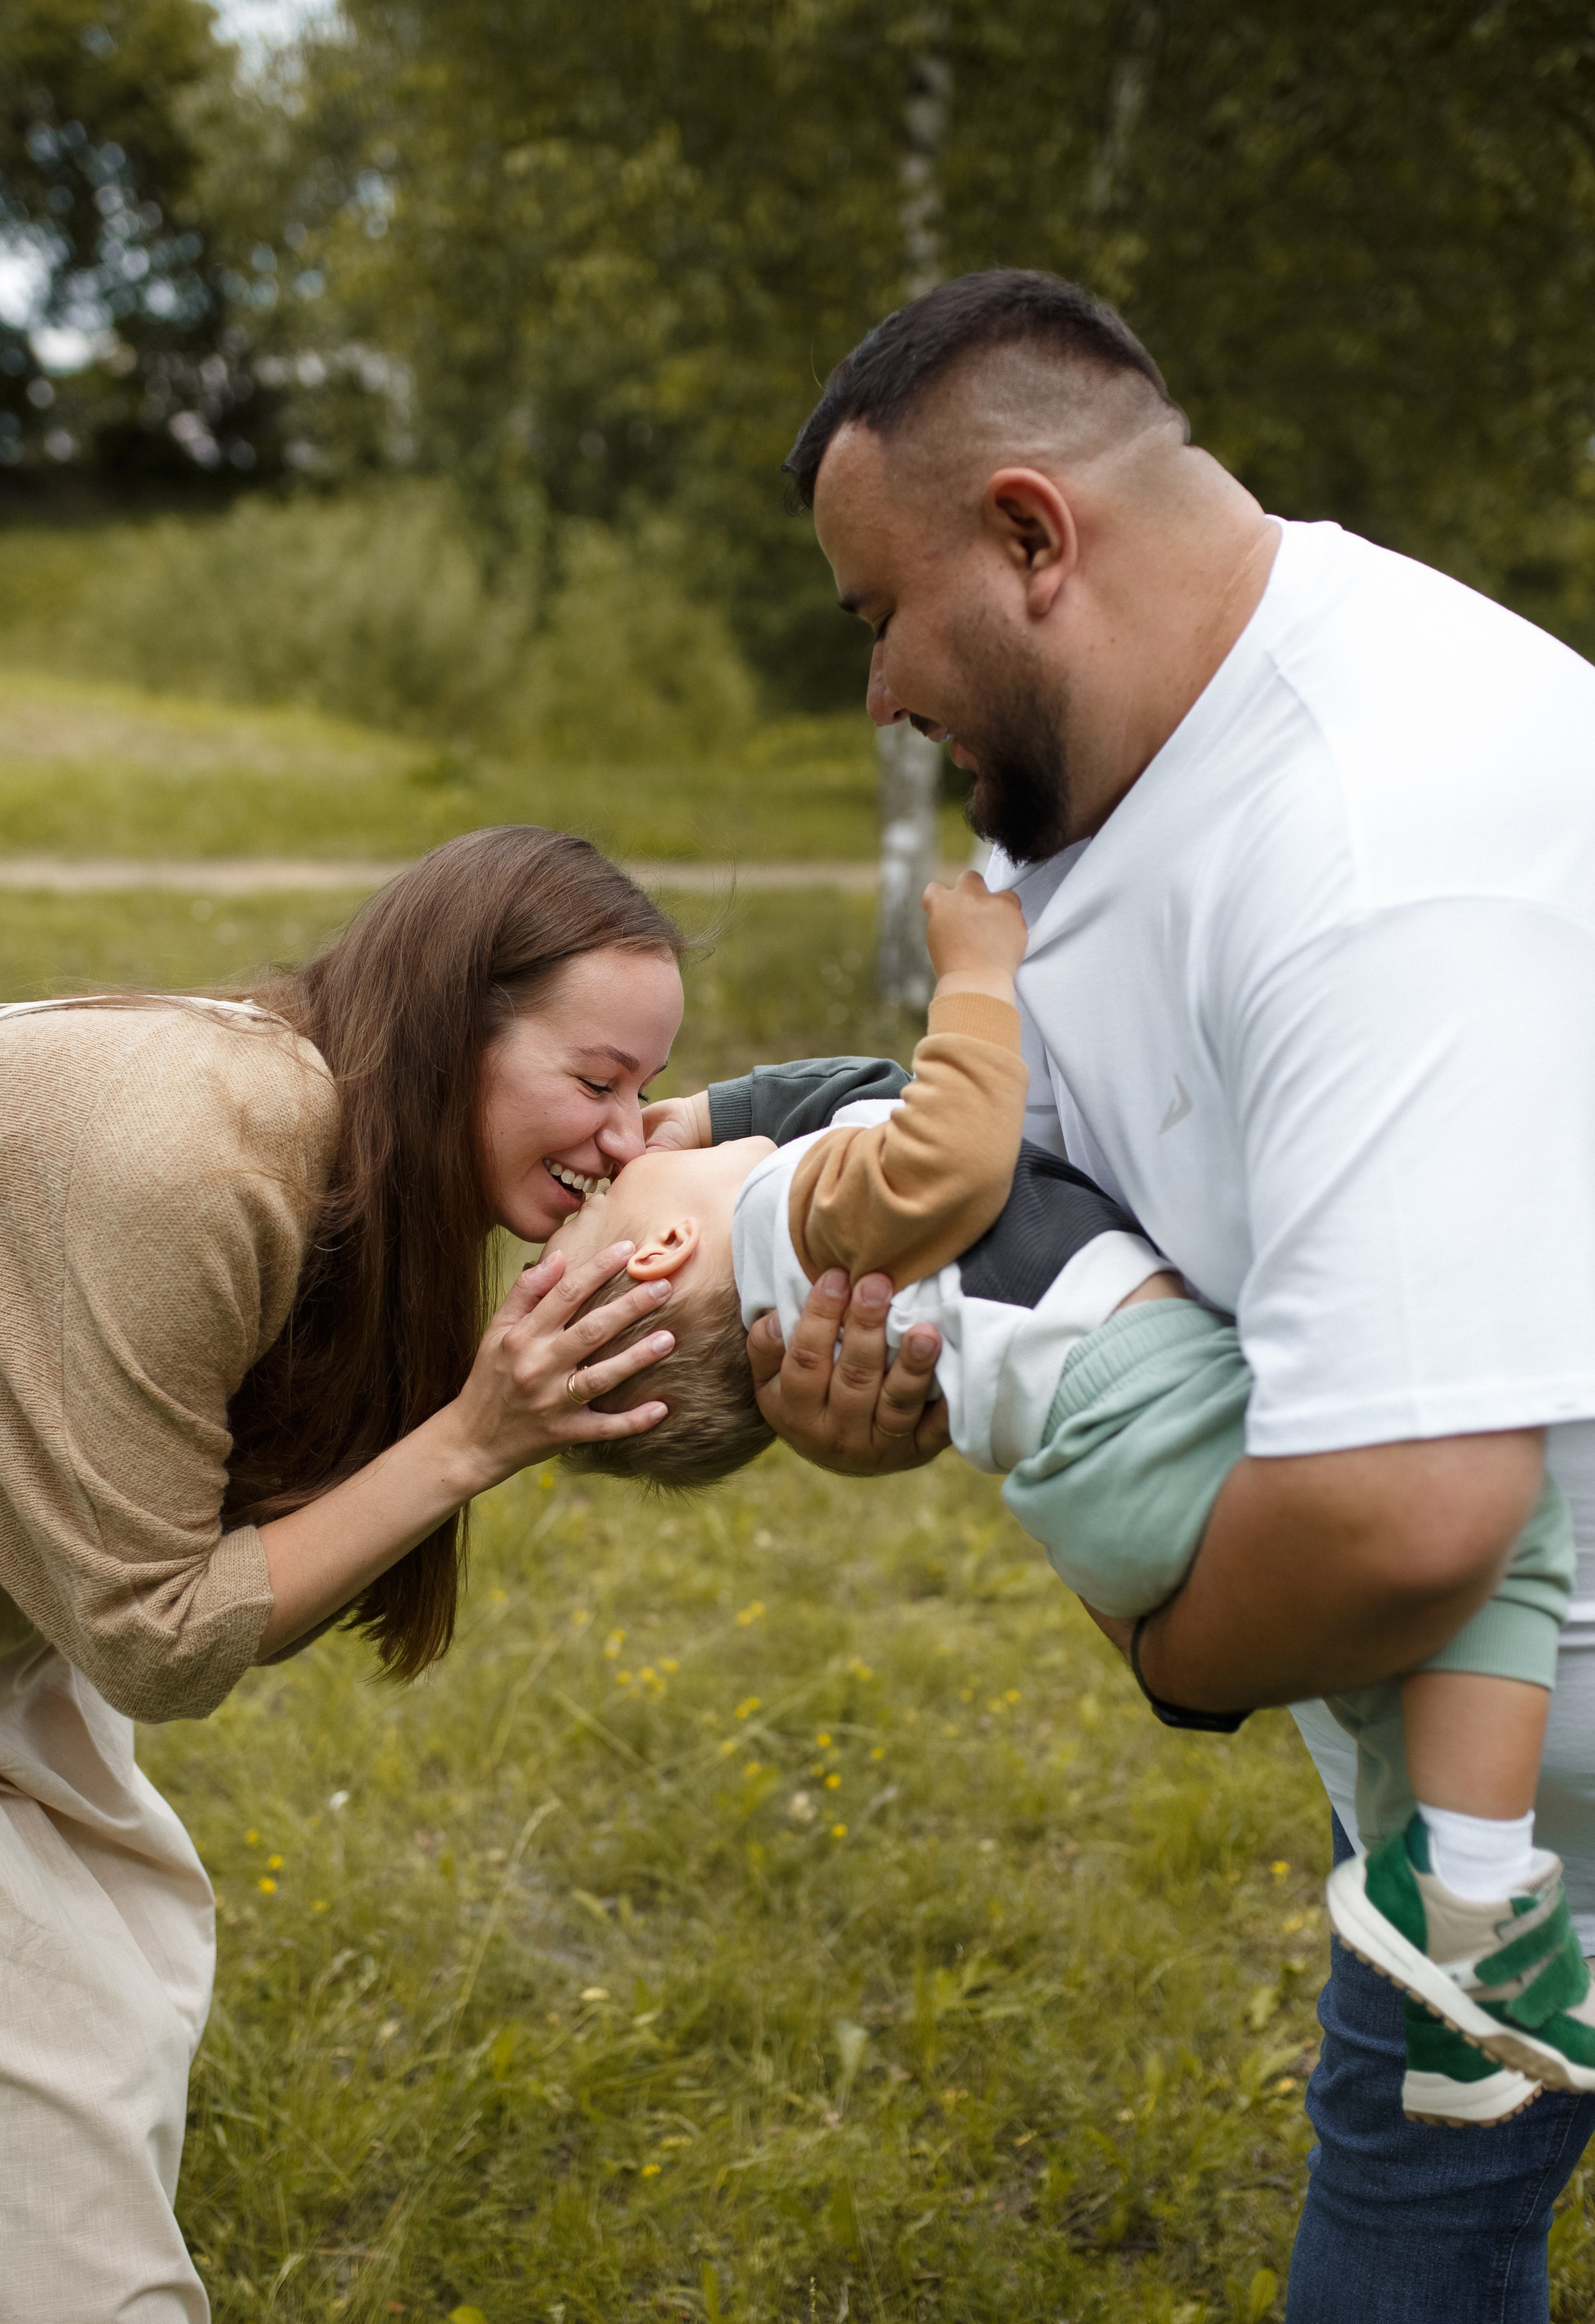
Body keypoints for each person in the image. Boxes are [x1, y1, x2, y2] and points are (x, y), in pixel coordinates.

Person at [738, 267, 1595, 2318]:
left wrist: (1181, 1652)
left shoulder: (1387, 833)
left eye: (878, 618)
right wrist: (917, 1386)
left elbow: (1409, 1514)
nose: (875, 694)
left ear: (1034, 537)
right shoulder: (1130, 768)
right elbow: (1106, 1181)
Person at [566, 868, 1587, 2125]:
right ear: (661, 1249)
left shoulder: (803, 1226)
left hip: (1100, 1479)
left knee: (1396, 1678)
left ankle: (1447, 1994)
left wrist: (718, 1107)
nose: (629, 1143)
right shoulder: (807, 1208)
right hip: (1134, 1414)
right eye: (609, 1187)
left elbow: (862, 1098)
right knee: (1497, 1514)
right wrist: (975, 978)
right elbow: (945, 1136)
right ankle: (1473, 1883)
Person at [0, 824, 693, 2324]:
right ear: (456, 1029)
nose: (628, 1136)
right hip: (60, 1637)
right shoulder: (194, 1158)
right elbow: (155, 1639)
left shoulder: (320, 1122)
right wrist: (471, 1438)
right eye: (596, 1084)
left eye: (646, 1092)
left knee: (122, 1969)